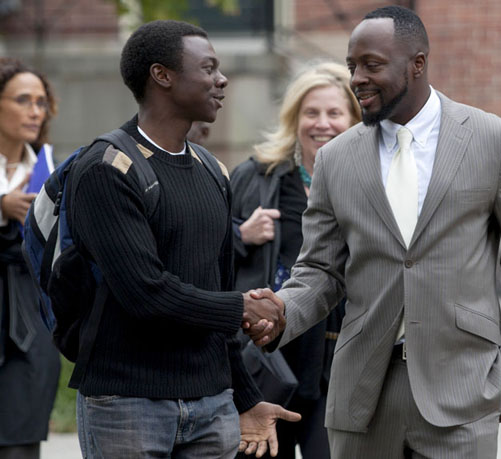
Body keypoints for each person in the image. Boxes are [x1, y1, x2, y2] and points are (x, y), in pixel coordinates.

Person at [246, 6, 501, 458]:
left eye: (372, 65)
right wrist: (283, 310)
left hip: (463, 392)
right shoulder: (337, 158)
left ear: (417, 63)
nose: (357, 79)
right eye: (353, 66)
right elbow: (319, 271)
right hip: (362, 396)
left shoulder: (493, 140)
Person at [65, 20, 298, 459]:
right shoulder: (106, 168)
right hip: (126, 406)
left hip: (212, 406)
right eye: (208, 68)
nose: (221, 79)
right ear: (163, 75)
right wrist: (242, 307)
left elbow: (216, 296)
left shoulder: (212, 170)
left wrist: (244, 397)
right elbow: (145, 293)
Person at [232, 62, 360, 459]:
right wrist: (241, 234)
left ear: (354, 119)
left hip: (341, 364)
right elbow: (210, 254)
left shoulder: (370, 179)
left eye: (335, 113)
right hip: (271, 362)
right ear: (295, 119)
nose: (322, 124)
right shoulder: (257, 177)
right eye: (312, 113)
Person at [0, 57, 61, 459]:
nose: (35, 111)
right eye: (23, 100)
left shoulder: (48, 169)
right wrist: (2, 206)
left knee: (20, 448)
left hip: (27, 326)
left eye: (41, 102)